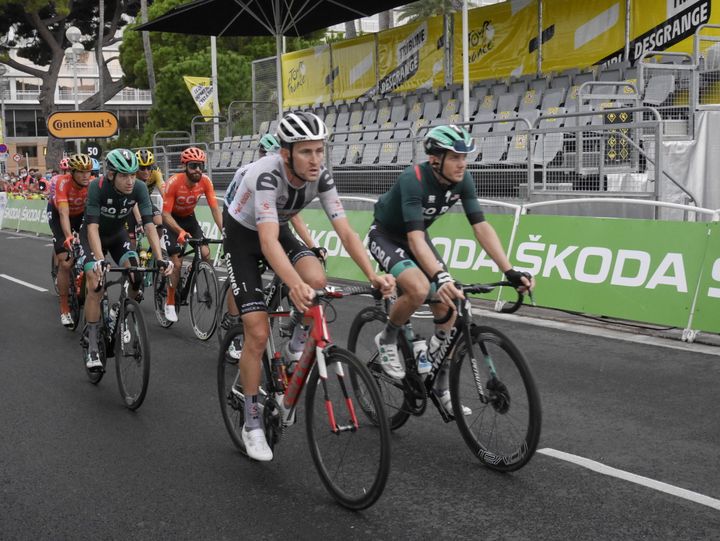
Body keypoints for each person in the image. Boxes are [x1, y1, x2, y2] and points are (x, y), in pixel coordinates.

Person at [223, 111, 395, 461]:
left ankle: (292, 349)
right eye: (306, 152)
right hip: (243, 235)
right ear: (286, 153)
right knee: (256, 332)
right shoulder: (267, 176)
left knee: (317, 280)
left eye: (320, 150)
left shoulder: (322, 177)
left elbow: (345, 232)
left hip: (277, 227)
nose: (316, 159)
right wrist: (292, 284)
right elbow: (268, 242)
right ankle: (252, 421)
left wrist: (373, 275)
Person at [367, 124, 534, 415]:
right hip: (387, 236)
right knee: (419, 289)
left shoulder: (463, 180)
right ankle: (388, 337)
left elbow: (480, 226)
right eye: (456, 157)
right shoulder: (413, 180)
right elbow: (415, 240)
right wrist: (439, 276)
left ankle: (439, 383)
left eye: (465, 157)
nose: (462, 163)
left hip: (416, 238)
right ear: (435, 159)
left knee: (453, 302)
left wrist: (509, 270)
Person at [221, 133, 325, 360]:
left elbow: (293, 217)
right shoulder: (248, 172)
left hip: (273, 226)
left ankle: (293, 326)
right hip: (241, 229)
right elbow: (228, 210)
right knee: (242, 274)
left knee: (302, 271)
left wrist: (312, 247)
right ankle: (234, 324)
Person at [79, 148, 173, 371]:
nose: (130, 180)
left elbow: (149, 224)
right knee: (95, 283)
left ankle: (118, 315)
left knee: (136, 276)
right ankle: (92, 342)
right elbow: (92, 227)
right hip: (93, 236)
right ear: (111, 174)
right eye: (124, 175)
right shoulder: (97, 187)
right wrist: (100, 260)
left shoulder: (139, 187)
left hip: (117, 235)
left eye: (133, 174)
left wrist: (160, 258)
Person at [161, 146, 223, 323]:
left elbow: (215, 209)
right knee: (177, 262)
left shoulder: (205, 182)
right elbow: (165, 214)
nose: (198, 170)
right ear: (184, 167)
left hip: (189, 218)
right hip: (172, 220)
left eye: (201, 166)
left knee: (205, 254)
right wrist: (180, 232)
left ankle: (192, 271)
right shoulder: (174, 182)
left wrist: (225, 231)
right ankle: (171, 301)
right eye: (193, 166)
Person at [47, 153, 93, 328]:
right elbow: (64, 214)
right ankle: (65, 309)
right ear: (72, 172)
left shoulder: (92, 184)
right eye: (81, 172)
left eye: (88, 171)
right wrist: (68, 237)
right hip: (59, 216)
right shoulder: (62, 182)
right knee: (66, 263)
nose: (85, 175)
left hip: (80, 215)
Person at [127, 148, 164, 250]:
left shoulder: (156, 172)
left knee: (159, 222)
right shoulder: (132, 176)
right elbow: (133, 202)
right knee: (132, 242)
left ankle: (152, 251)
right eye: (142, 168)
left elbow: (164, 192)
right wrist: (139, 220)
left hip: (146, 201)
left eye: (149, 167)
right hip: (131, 204)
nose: (146, 171)